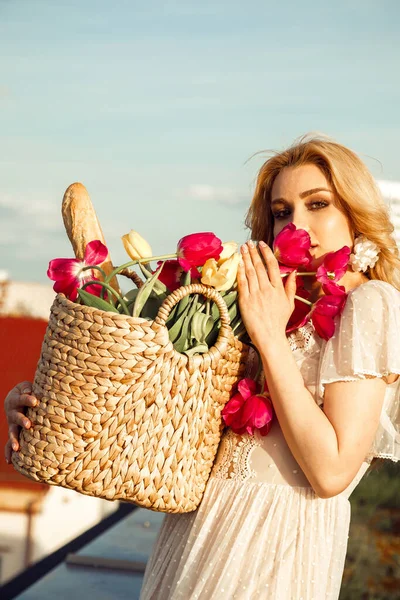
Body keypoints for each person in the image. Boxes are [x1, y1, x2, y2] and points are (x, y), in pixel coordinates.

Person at [4, 134, 400, 599]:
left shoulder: (370, 303)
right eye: (281, 212)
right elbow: (167, 427)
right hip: (194, 536)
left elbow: (331, 472)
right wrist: (49, 411)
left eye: (318, 204)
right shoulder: (266, 306)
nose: (297, 224)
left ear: (355, 215)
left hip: (272, 551)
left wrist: (269, 336)